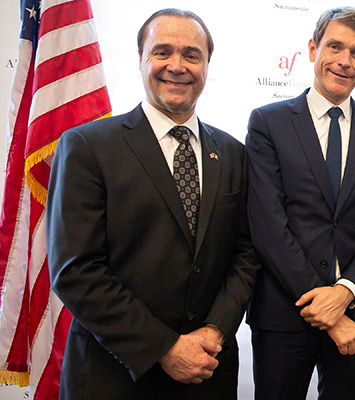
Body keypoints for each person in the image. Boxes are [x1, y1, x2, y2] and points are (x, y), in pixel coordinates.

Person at [46, 9, 260, 399]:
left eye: (191, 55)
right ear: (140, 60)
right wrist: (164, 348)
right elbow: (75, 269)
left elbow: (245, 255)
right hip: (115, 376)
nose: (177, 66)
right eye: (162, 52)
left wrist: (214, 331)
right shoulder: (87, 146)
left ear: (207, 65)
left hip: (208, 372)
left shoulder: (233, 153)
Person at [245, 6, 355, 400]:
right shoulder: (268, 122)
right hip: (284, 313)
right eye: (335, 46)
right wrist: (328, 312)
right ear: (313, 48)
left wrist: (346, 292)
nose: (344, 61)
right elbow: (268, 226)